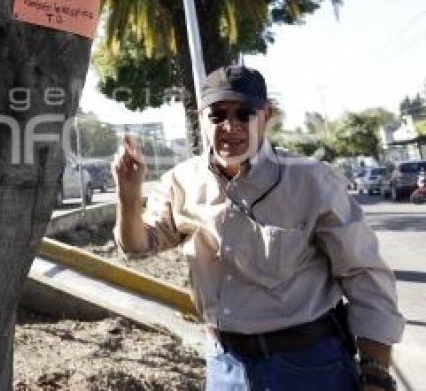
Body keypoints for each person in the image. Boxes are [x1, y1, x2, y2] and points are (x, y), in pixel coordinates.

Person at [113, 65, 403, 390]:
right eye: (218, 115)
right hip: (225, 367)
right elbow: (138, 248)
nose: (230, 126)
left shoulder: (312, 180)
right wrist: (128, 195)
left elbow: (364, 274)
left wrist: (376, 372)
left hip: (310, 368)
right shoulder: (181, 182)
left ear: (266, 116)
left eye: (244, 113)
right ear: (202, 118)